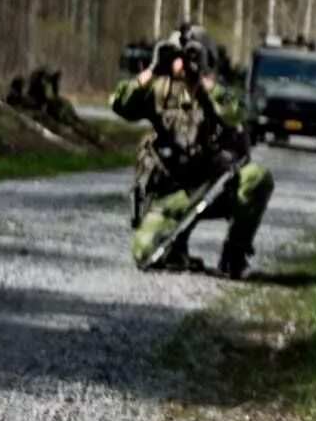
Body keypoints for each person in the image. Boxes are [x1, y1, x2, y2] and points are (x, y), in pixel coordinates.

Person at [110, 23, 273, 278]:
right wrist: (153, 70)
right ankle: (177, 250)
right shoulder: (160, 90)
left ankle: (234, 255)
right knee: (145, 252)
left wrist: (205, 82)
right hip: (174, 193)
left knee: (257, 177)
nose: (183, 64)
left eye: (192, 56)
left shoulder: (217, 92)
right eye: (177, 56)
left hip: (214, 186)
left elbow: (238, 113)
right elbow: (120, 104)